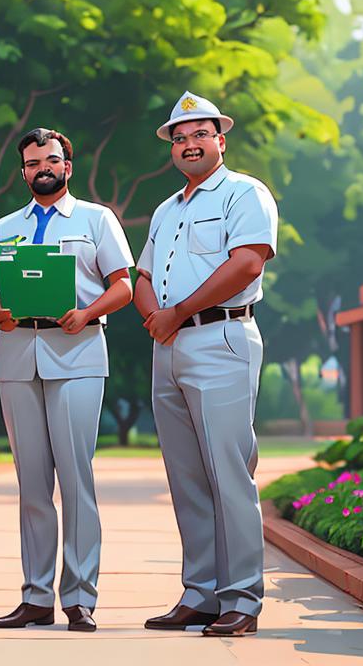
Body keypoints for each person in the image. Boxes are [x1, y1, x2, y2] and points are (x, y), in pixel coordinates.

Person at [0, 127, 134, 632]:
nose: (42, 167)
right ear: (22, 171)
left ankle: (80, 596)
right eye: (33, 162)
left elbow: (124, 287)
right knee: (32, 485)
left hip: (78, 353)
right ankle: (36, 596)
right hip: (19, 355)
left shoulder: (96, 219)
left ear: (68, 164)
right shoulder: (4, 227)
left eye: (51, 159)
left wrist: (86, 313)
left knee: (76, 478)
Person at [135, 92, 277, 637]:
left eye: (200, 134)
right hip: (168, 345)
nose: (189, 144)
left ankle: (241, 597)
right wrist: (157, 320)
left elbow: (246, 262)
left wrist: (177, 313)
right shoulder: (168, 209)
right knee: (187, 477)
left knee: (229, 473)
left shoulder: (245, 192)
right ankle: (200, 594)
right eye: (180, 137)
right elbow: (143, 275)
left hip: (222, 338)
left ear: (221, 138)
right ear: (172, 147)